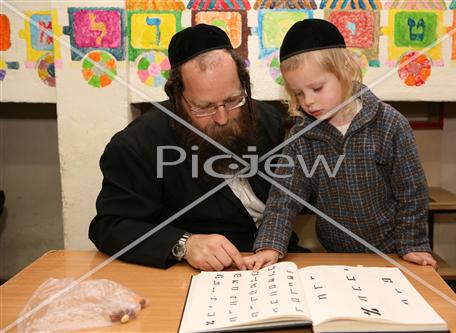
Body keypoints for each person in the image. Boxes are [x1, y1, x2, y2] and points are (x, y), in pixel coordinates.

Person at [89, 24, 305, 271]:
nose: (222, 118)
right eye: (204, 107)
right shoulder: (137, 145)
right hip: (199, 275)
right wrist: (184, 244)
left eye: (233, 100)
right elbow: (110, 226)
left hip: (279, 262)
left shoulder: (268, 119)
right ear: (177, 97)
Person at [244, 19, 436, 270]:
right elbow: (284, 197)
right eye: (299, 93)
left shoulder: (389, 124)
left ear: (345, 69)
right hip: (335, 253)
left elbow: (412, 192)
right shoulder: (302, 137)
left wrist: (412, 244)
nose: (308, 102)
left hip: (392, 251)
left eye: (317, 88)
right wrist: (270, 244)